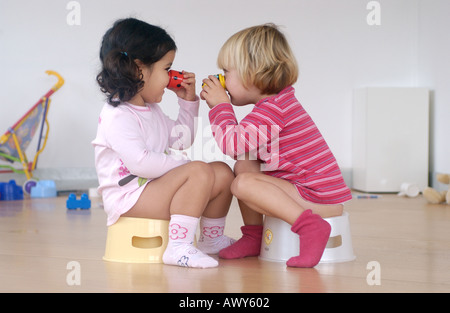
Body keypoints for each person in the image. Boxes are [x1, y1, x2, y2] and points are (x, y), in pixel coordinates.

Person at [201, 24, 352, 268]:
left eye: (226, 71)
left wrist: (220, 106)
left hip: (319, 200)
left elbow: (231, 144)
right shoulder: (274, 105)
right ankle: (255, 236)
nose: (223, 79)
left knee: (242, 183)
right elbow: (241, 150)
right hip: (306, 191)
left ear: (252, 73)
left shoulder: (274, 110)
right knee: (245, 163)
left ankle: (310, 227)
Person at [93, 18, 235, 268]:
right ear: (139, 69)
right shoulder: (117, 115)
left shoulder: (151, 110)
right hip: (129, 198)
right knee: (198, 170)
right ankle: (179, 247)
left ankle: (211, 239)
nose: (172, 78)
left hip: (156, 188)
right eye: (167, 69)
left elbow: (182, 140)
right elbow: (141, 163)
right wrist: (187, 168)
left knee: (221, 172)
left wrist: (189, 102)